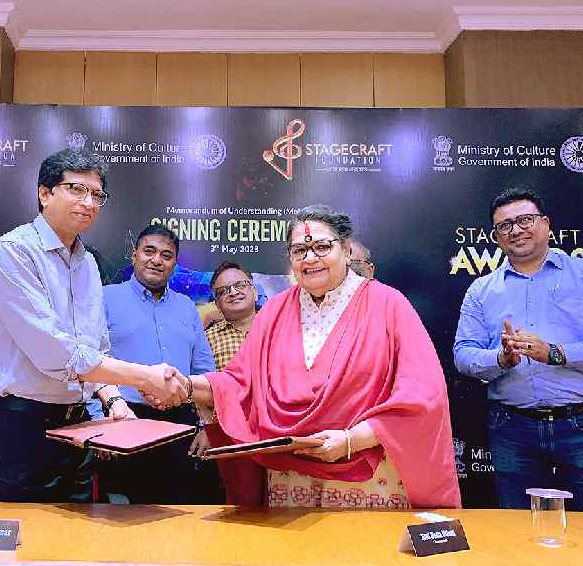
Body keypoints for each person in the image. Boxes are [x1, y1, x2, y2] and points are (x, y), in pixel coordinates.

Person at [156, 205, 460, 509]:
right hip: (291, 479)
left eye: (322, 247)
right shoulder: (275, 311)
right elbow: (238, 383)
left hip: (368, 475)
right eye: (300, 249)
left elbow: (423, 395)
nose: (310, 258)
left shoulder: (389, 305)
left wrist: (352, 440)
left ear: (345, 249)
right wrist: (185, 384)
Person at [0, 148, 188, 503]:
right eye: (76, 189)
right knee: (27, 549)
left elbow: (95, 346)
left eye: (96, 194)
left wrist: (114, 398)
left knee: (75, 546)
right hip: (21, 428)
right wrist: (142, 377)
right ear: (45, 193)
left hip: (78, 428)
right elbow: (53, 351)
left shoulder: (87, 262)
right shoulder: (13, 252)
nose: (88, 202)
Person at [454, 188, 583, 511]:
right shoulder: (482, 290)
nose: (516, 230)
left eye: (525, 220)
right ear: (496, 236)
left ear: (546, 224)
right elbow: (463, 355)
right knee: (519, 535)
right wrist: (501, 359)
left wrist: (555, 353)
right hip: (512, 429)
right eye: (505, 225)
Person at [95, 224, 217, 504]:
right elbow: (91, 362)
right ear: (134, 255)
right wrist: (100, 423)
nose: (157, 260)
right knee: (126, 520)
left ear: (174, 264)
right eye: (149, 251)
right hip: (123, 420)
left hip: (180, 424)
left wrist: (206, 425)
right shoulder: (106, 298)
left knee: (179, 514)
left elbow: (204, 370)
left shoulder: (187, 306)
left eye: (166, 255)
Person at [205, 261, 257, 372]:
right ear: (217, 304)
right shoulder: (206, 340)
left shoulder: (277, 329)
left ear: (255, 293)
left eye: (240, 285)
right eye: (223, 291)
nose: (233, 292)